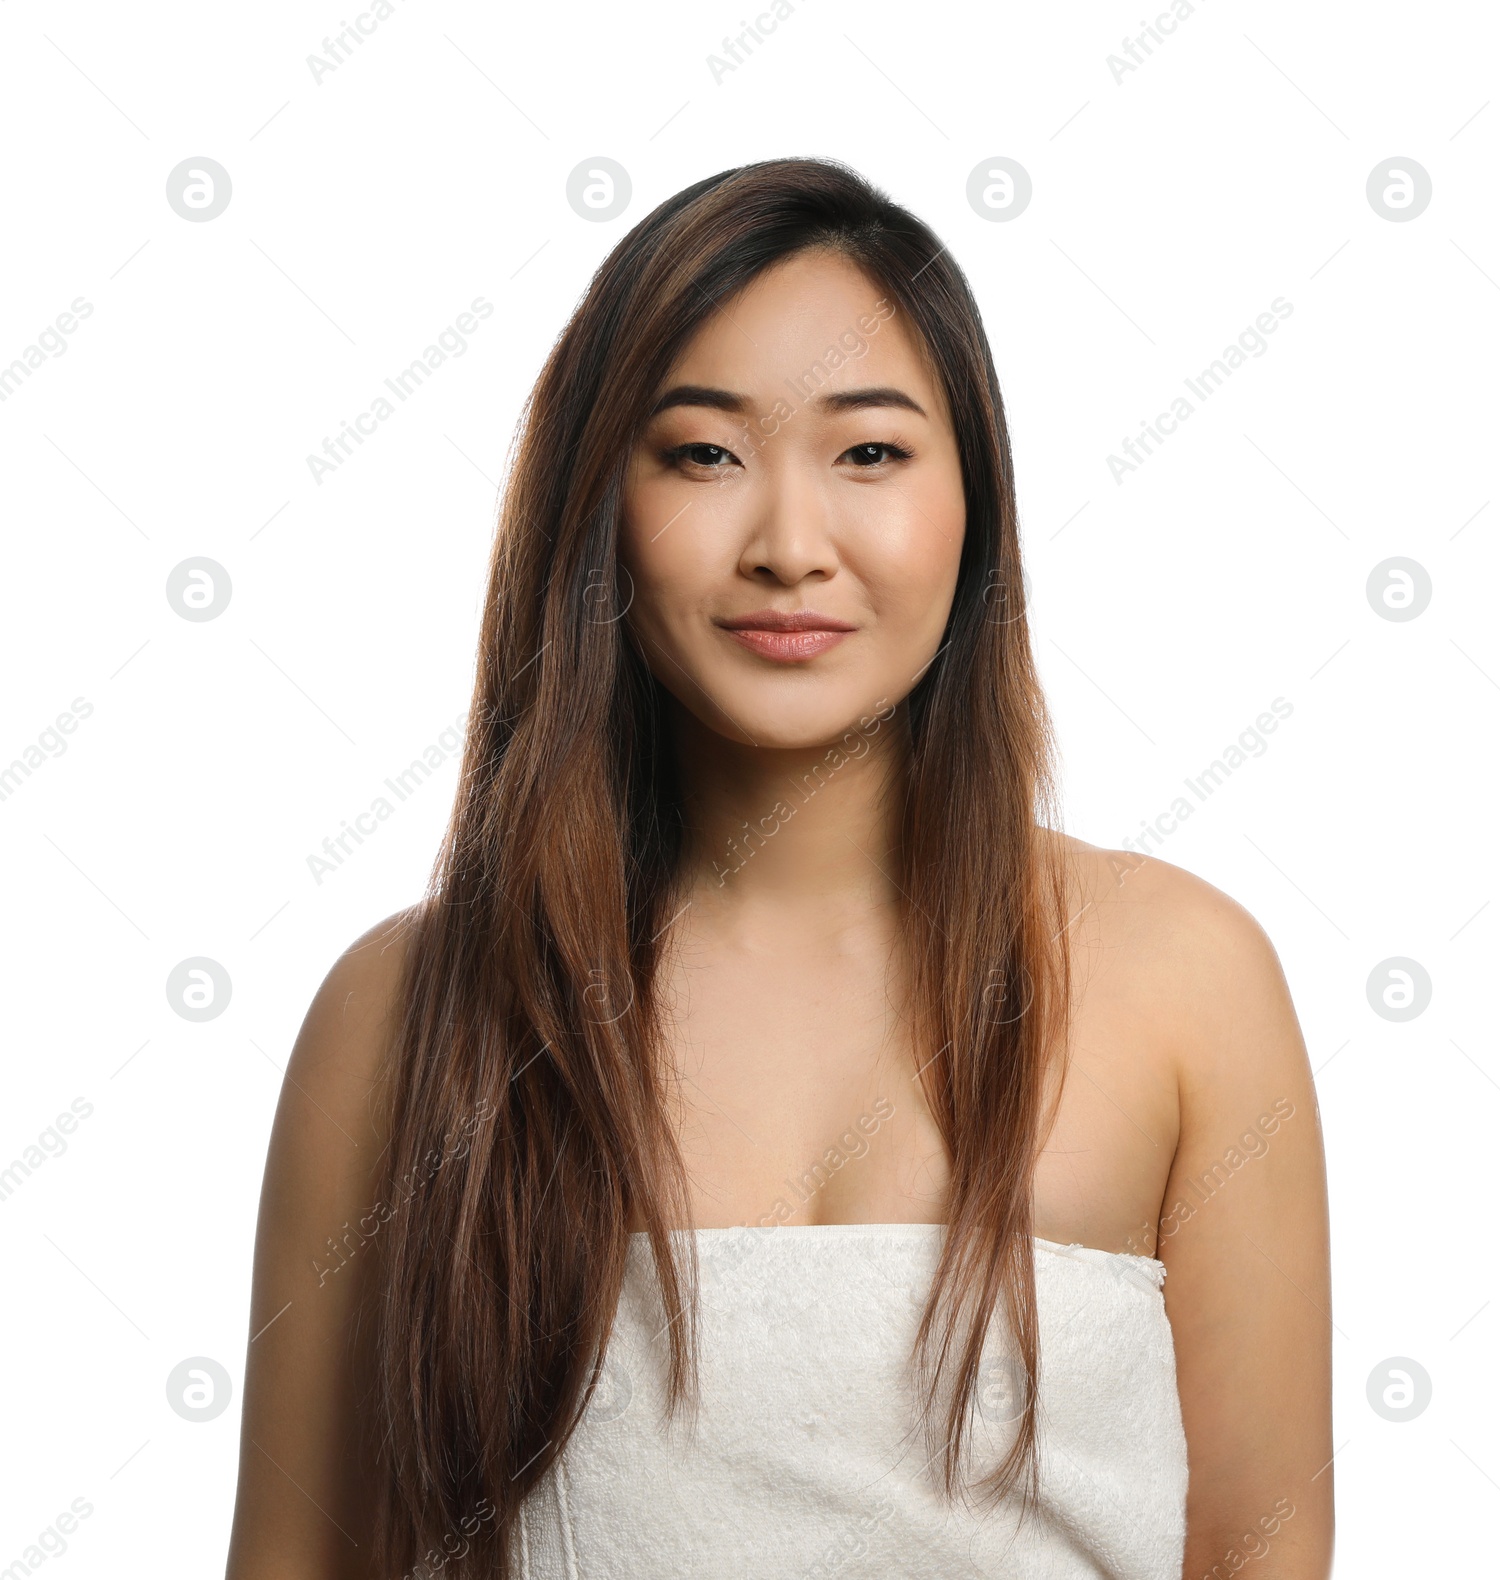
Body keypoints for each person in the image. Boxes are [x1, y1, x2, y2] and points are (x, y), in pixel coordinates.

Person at [225, 156, 1333, 1580]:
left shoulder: (1185, 978)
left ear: (973, 504)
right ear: (597, 510)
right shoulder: (404, 1011)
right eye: (702, 454)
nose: (791, 547)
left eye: (870, 454)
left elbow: (1260, 1551)